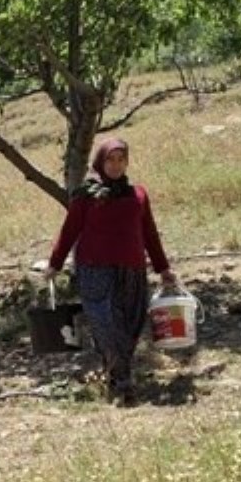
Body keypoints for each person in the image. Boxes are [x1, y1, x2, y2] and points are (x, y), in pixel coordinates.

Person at [44, 138, 179, 406]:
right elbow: (69, 230)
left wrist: (163, 268)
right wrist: (54, 264)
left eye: (121, 159)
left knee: (131, 325)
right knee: (106, 324)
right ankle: (123, 383)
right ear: (100, 162)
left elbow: (149, 233)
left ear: (127, 162)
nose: (116, 165)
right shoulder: (86, 195)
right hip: (95, 271)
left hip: (132, 270)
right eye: (110, 160)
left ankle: (115, 371)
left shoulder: (137, 195)